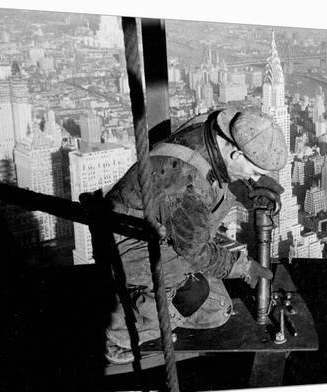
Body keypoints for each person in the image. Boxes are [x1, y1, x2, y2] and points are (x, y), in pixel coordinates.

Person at [103, 108, 288, 363]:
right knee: (192, 296)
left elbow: (223, 172)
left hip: (163, 227)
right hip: (131, 243)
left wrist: (255, 190)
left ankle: (148, 296)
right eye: (253, 173)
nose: (253, 179)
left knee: (220, 308)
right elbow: (198, 252)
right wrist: (245, 267)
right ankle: (120, 333)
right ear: (236, 154)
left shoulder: (214, 127)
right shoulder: (186, 184)